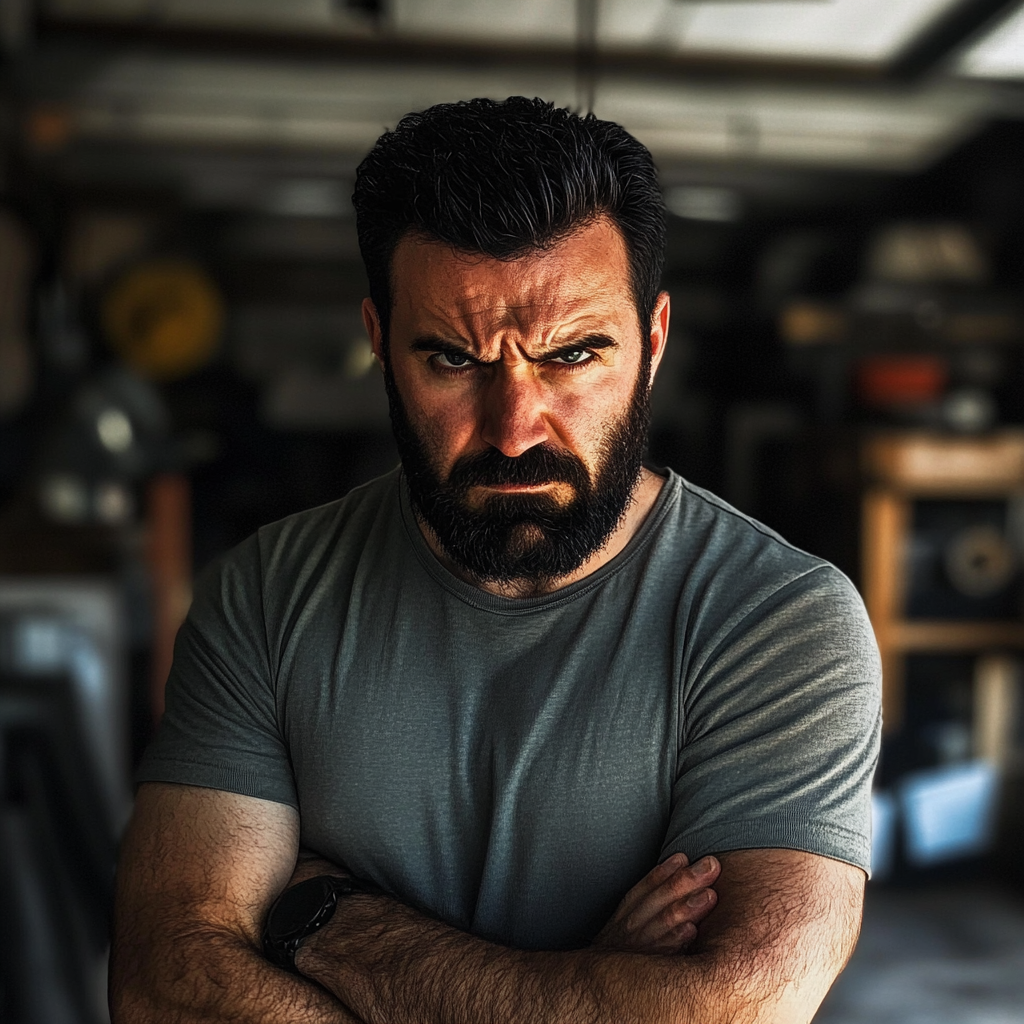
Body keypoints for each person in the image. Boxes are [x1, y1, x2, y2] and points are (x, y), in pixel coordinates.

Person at [110, 97, 881, 1024]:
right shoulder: (266, 596)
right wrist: (593, 988)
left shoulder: (780, 618)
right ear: (379, 343)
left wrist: (326, 920)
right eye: (452, 360)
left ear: (654, 341)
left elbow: (729, 1011)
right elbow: (167, 987)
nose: (515, 431)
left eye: (573, 355)